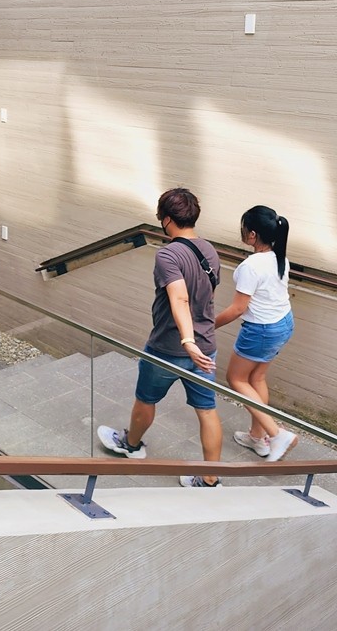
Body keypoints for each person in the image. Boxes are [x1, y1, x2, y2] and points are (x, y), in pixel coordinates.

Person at [97, 188, 223, 488]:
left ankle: (131, 445)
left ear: (167, 219)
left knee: (145, 399)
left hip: (169, 347)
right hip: (207, 348)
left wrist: (187, 341)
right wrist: (197, 342)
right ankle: (210, 479)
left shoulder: (168, 254)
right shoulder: (210, 250)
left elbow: (178, 298)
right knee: (207, 411)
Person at [217, 205, 298, 462]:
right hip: (283, 324)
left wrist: (208, 325)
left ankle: (276, 434)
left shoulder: (250, 266)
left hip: (262, 330)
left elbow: (238, 309)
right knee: (257, 378)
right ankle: (257, 437)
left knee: (236, 379)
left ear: (252, 235)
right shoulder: (280, 258)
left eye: (243, 228)